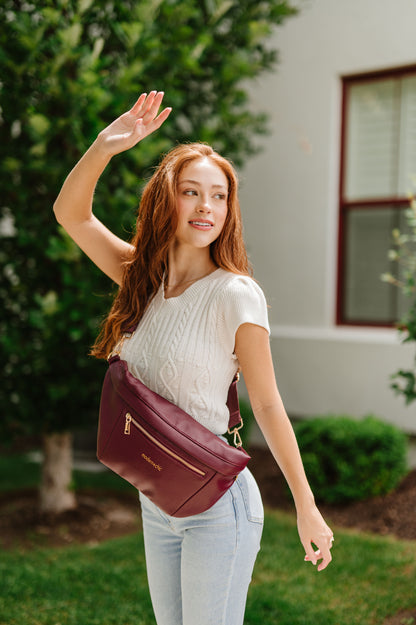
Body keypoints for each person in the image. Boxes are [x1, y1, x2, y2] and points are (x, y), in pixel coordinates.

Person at [53, 90, 334, 625]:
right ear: (168, 201)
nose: (206, 207)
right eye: (191, 192)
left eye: (219, 196)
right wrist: (104, 147)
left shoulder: (235, 294)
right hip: (159, 498)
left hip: (218, 508)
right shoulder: (142, 278)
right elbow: (70, 213)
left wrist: (306, 505)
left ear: (229, 209)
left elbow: (269, 406)